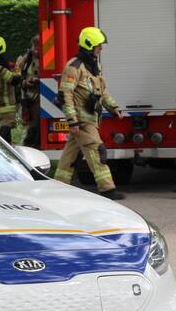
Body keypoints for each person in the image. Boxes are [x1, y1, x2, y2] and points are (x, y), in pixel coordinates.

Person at [54, 26, 126, 200]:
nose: (100, 49)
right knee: (97, 149)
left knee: (70, 155)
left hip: (90, 119)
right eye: (98, 46)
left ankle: (57, 187)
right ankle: (107, 188)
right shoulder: (74, 67)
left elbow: (101, 91)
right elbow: (65, 95)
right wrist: (72, 120)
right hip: (82, 120)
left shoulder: (93, 66)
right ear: (89, 45)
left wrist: (113, 108)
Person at [14, 34, 41, 147]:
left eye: (39, 47)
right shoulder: (24, 59)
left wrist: (37, 80)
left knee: (37, 126)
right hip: (28, 99)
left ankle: (32, 145)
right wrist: (24, 82)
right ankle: (24, 147)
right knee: (27, 125)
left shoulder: (48, 58)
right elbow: (15, 77)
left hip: (41, 98)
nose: (36, 50)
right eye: (35, 47)